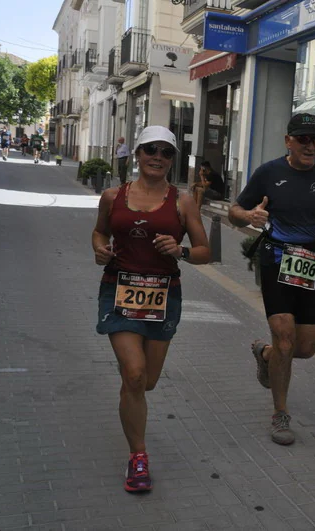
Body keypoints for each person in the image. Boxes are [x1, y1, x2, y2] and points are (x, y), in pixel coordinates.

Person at [92, 125, 210, 492]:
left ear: (173, 159)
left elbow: (206, 251)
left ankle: (131, 394)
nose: (157, 157)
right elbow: (99, 233)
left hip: (163, 295)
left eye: (166, 152)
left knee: (148, 382)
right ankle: (138, 457)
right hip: (119, 290)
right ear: (138, 154)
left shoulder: (183, 201)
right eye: (150, 150)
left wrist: (182, 251)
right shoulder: (113, 196)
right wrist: (99, 249)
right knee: (135, 374)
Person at [228, 113, 315, 445]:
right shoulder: (269, 173)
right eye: (303, 139)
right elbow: (233, 210)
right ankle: (280, 414)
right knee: (285, 338)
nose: (310, 145)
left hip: (312, 265)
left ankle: (266, 355)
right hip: (276, 260)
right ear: (289, 141)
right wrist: (249, 215)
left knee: (306, 348)